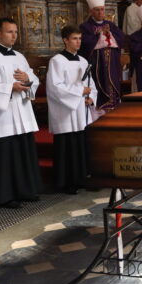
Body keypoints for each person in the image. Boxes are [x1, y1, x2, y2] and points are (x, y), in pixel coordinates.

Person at [0, 17, 41, 209]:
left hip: (21, 111)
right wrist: (10, 87)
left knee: (23, 151)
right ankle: (4, 195)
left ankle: (25, 190)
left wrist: (27, 79)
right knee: (5, 155)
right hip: (3, 116)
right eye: (9, 32)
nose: (14, 35)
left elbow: (33, 79)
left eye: (15, 32)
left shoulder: (19, 56)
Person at [47, 26, 98, 194]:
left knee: (81, 145)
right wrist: (79, 92)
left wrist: (91, 98)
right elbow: (55, 87)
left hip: (82, 110)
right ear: (65, 40)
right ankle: (67, 182)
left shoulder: (83, 61)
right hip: (66, 113)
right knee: (68, 147)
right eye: (75, 38)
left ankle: (82, 178)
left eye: (80, 38)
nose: (78, 42)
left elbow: (91, 86)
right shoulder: (57, 61)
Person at [79, 0, 125, 111]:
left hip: (112, 64)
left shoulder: (110, 25)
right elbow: (84, 44)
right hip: (97, 65)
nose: (101, 13)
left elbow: (121, 39)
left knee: (113, 85)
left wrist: (109, 35)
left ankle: (114, 106)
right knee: (100, 86)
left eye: (102, 10)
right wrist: (99, 36)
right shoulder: (85, 27)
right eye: (97, 10)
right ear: (91, 11)